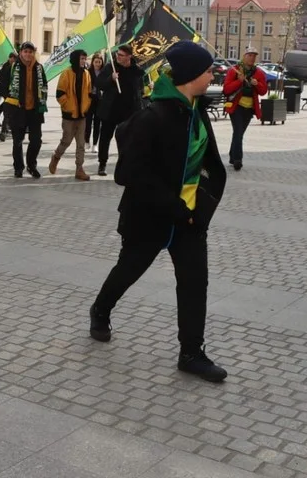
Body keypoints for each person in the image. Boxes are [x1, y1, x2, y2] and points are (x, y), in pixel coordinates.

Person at [89, 41, 228, 383]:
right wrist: (174, 208)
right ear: (191, 75)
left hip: (190, 219)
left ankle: (192, 353)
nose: (213, 75)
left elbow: (210, 164)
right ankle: (101, 309)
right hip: (150, 216)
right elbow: (129, 174)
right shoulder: (152, 117)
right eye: (208, 70)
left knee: (195, 283)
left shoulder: (197, 111)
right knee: (129, 269)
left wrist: (203, 204)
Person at [95, 44, 144, 176]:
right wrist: (110, 79)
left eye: (121, 55)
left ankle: (124, 165)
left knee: (127, 139)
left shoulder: (136, 70)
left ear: (129, 57)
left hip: (129, 112)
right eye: (117, 54)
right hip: (110, 110)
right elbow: (99, 83)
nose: (118, 57)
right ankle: (102, 163)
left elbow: (140, 90)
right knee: (105, 137)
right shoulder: (111, 67)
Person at [4, 41, 48, 179]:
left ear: (33, 53)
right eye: (25, 52)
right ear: (21, 53)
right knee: (17, 141)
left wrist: (42, 100)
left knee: (36, 141)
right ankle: (18, 167)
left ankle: (31, 165)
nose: (28, 54)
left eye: (30, 52)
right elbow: (3, 85)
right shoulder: (13, 67)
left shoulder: (39, 68)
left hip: (35, 110)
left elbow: (45, 86)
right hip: (18, 110)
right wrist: (10, 102)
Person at [49, 49, 92, 181]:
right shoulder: (66, 73)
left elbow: (89, 93)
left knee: (81, 144)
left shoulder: (86, 74)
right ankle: (56, 157)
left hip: (82, 115)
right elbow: (60, 94)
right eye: (81, 58)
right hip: (69, 115)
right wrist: (69, 107)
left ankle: (79, 169)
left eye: (85, 59)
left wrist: (86, 106)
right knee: (66, 141)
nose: (84, 61)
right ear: (75, 59)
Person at [223, 46, 268, 171]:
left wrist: (257, 84)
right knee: (238, 132)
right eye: (250, 55)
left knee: (239, 133)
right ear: (244, 56)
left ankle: (233, 156)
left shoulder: (259, 73)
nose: (252, 58)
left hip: (249, 108)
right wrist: (239, 81)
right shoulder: (235, 70)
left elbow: (264, 91)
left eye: (254, 56)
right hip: (236, 106)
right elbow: (226, 89)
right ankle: (238, 160)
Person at [86, 52, 106, 148]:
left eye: (99, 62)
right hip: (89, 98)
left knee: (97, 123)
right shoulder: (88, 72)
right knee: (88, 122)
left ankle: (95, 144)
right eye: (96, 62)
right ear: (92, 62)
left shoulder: (104, 72)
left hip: (100, 100)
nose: (98, 64)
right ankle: (86, 142)